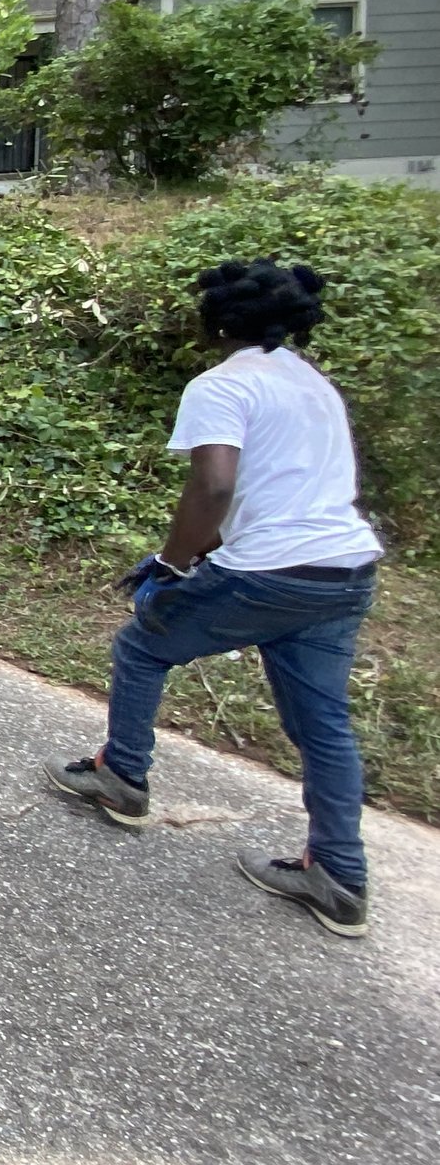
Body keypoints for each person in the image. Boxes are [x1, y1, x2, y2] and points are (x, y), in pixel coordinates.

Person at [47, 259, 385, 937]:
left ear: (218, 321)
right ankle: (340, 875)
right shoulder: (315, 385)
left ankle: (123, 778)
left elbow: (214, 488)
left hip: (269, 571)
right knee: (323, 723)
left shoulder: (222, 385)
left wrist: (171, 565)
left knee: (143, 643)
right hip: (345, 570)